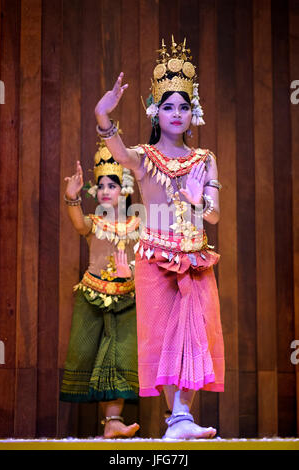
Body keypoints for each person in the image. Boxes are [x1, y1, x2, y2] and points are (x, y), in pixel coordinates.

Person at [94, 36, 225, 440]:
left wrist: (195, 202)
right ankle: (179, 418)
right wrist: (103, 115)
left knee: (195, 337)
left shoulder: (204, 160)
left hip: (195, 260)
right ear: (155, 110)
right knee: (166, 339)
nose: (177, 113)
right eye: (168, 106)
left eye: (184, 106)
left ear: (193, 112)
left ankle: (182, 418)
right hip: (156, 262)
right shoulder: (144, 157)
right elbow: (117, 150)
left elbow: (215, 215)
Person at [60, 136, 140, 439]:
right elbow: (79, 225)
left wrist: (129, 270)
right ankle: (110, 423)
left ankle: (114, 421)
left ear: (126, 188)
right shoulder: (94, 222)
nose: (106, 191)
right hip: (93, 297)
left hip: (127, 300)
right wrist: (72, 196)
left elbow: (144, 262)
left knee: (119, 356)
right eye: (102, 185)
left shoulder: (139, 227)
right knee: (90, 355)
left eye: (113, 185)